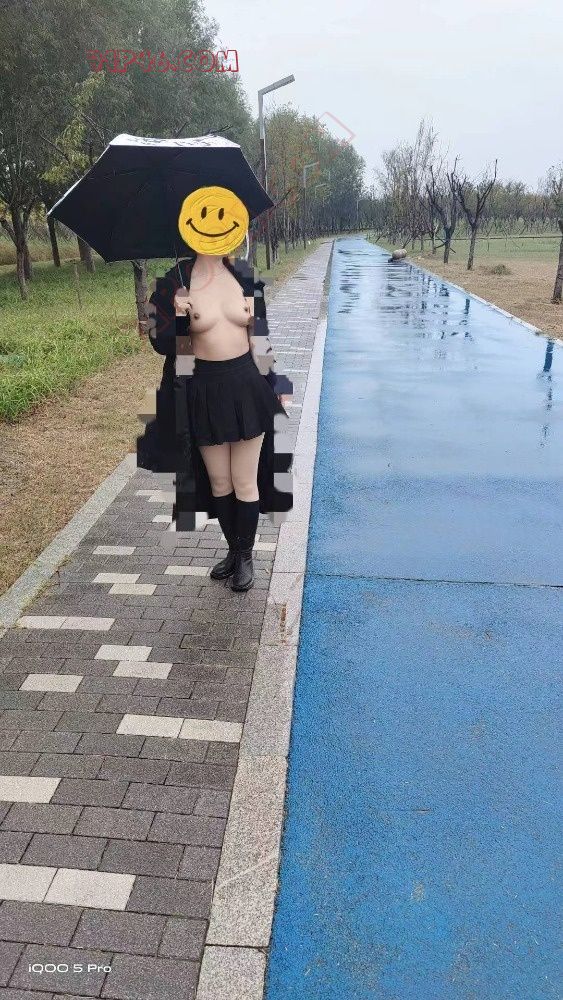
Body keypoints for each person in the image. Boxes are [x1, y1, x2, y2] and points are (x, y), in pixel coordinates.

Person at [138, 184, 294, 593]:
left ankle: (246, 557)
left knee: (245, 481)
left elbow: (261, 340)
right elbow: (163, 347)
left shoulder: (245, 276)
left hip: (247, 388)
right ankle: (233, 549)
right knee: (219, 482)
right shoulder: (173, 282)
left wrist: (276, 380)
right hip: (203, 391)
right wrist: (178, 318)